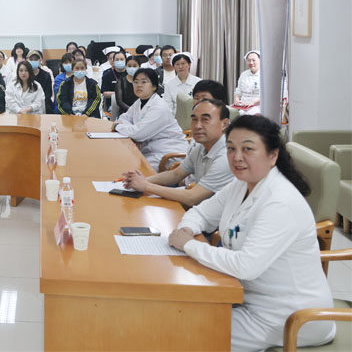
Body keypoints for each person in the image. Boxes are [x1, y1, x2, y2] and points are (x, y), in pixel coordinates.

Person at [169, 115, 336, 351]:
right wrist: (187, 229)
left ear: (273, 155)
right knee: (176, 314)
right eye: (231, 148)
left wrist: (189, 245)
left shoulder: (280, 202)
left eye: (248, 149)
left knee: (183, 332)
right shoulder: (242, 183)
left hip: (289, 317)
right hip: (245, 297)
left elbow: (246, 266)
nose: (237, 157)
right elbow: (201, 213)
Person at [121, 99, 234, 208]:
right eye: (194, 119)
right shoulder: (202, 147)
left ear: (224, 124)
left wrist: (146, 186)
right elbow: (176, 174)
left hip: (220, 218)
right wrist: (141, 181)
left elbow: (192, 197)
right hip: (202, 209)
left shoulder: (226, 157)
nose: (197, 126)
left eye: (205, 119)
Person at [112, 68, 188, 171]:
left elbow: (137, 133)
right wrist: (134, 132)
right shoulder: (140, 102)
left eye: (144, 82)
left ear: (154, 86)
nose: (139, 85)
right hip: (150, 150)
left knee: (130, 170)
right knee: (122, 163)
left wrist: (118, 126)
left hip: (168, 154)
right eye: (136, 82)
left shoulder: (159, 107)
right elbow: (124, 118)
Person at [234, 50, 261, 115]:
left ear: (260, 60)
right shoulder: (244, 74)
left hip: (258, 106)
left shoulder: (265, 75)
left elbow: (266, 96)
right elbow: (238, 90)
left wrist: (253, 103)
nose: (251, 63)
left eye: (253, 60)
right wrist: (236, 99)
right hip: (243, 106)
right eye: (248, 60)